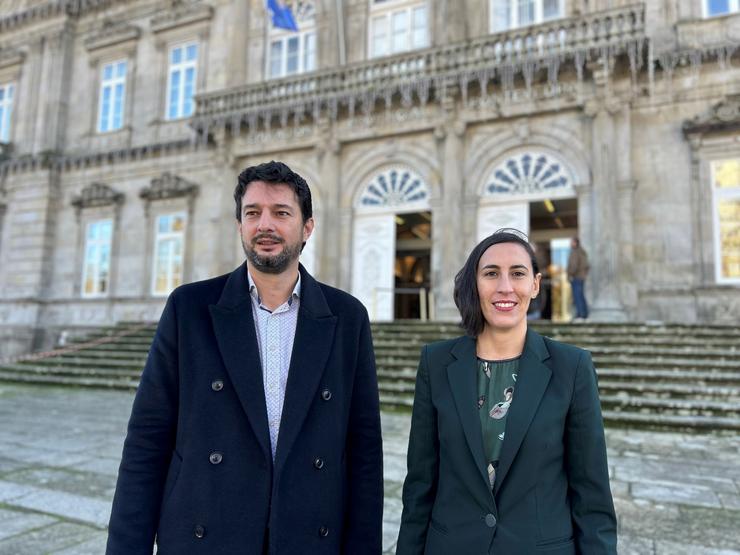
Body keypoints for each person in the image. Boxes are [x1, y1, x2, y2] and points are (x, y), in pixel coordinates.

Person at [106, 161, 383, 554]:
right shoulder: (189, 309)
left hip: (307, 538)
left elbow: (364, 452)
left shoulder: (347, 318)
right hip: (205, 536)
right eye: (252, 213)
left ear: (307, 227)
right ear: (239, 225)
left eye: (281, 213)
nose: (264, 225)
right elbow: (147, 441)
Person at [396, 229, 616, 555]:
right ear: (475, 283)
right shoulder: (436, 363)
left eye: (517, 273)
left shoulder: (572, 367)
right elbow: (420, 486)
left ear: (535, 284)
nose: (505, 287)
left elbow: (592, 494)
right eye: (491, 274)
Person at [567, 237, 589, 321]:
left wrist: (570, 274)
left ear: (575, 243)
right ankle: (584, 314)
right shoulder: (582, 252)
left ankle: (580, 314)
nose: (570, 244)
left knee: (577, 296)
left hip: (576, 277)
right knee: (580, 295)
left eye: (571, 242)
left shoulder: (575, 252)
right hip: (581, 277)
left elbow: (573, 265)